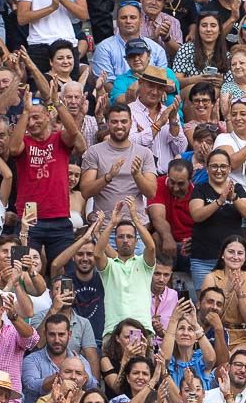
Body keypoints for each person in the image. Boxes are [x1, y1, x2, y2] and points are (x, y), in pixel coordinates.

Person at [8, 88, 85, 266]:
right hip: (29, 218)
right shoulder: (24, 142)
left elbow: (73, 132)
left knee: (66, 272)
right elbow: (13, 149)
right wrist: (26, 112)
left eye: (36, 117)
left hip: (59, 217)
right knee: (21, 268)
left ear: (48, 116)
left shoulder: (59, 139)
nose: (31, 123)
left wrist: (57, 103)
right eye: (29, 119)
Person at [80, 104, 157, 230]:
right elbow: (86, 192)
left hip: (136, 227)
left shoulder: (144, 153)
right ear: (108, 123)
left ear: (131, 123)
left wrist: (137, 175)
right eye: (114, 122)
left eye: (124, 121)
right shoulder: (94, 151)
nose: (119, 126)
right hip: (103, 226)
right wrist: (108, 177)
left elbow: (151, 193)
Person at [188, 150, 246, 290]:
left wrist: (234, 197)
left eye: (223, 166)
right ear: (207, 168)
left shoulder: (238, 189)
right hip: (203, 258)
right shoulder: (200, 189)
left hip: (232, 260)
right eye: (214, 166)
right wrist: (220, 201)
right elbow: (197, 215)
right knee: (205, 304)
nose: (219, 170)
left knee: (232, 303)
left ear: (229, 168)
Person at [94, 203, 156, 337]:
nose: (125, 240)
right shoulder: (110, 266)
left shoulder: (143, 263)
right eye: (121, 237)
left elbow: (151, 247)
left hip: (143, 329)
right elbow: (97, 254)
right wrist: (111, 223)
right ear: (114, 240)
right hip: (113, 331)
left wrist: (135, 218)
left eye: (130, 236)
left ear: (136, 240)